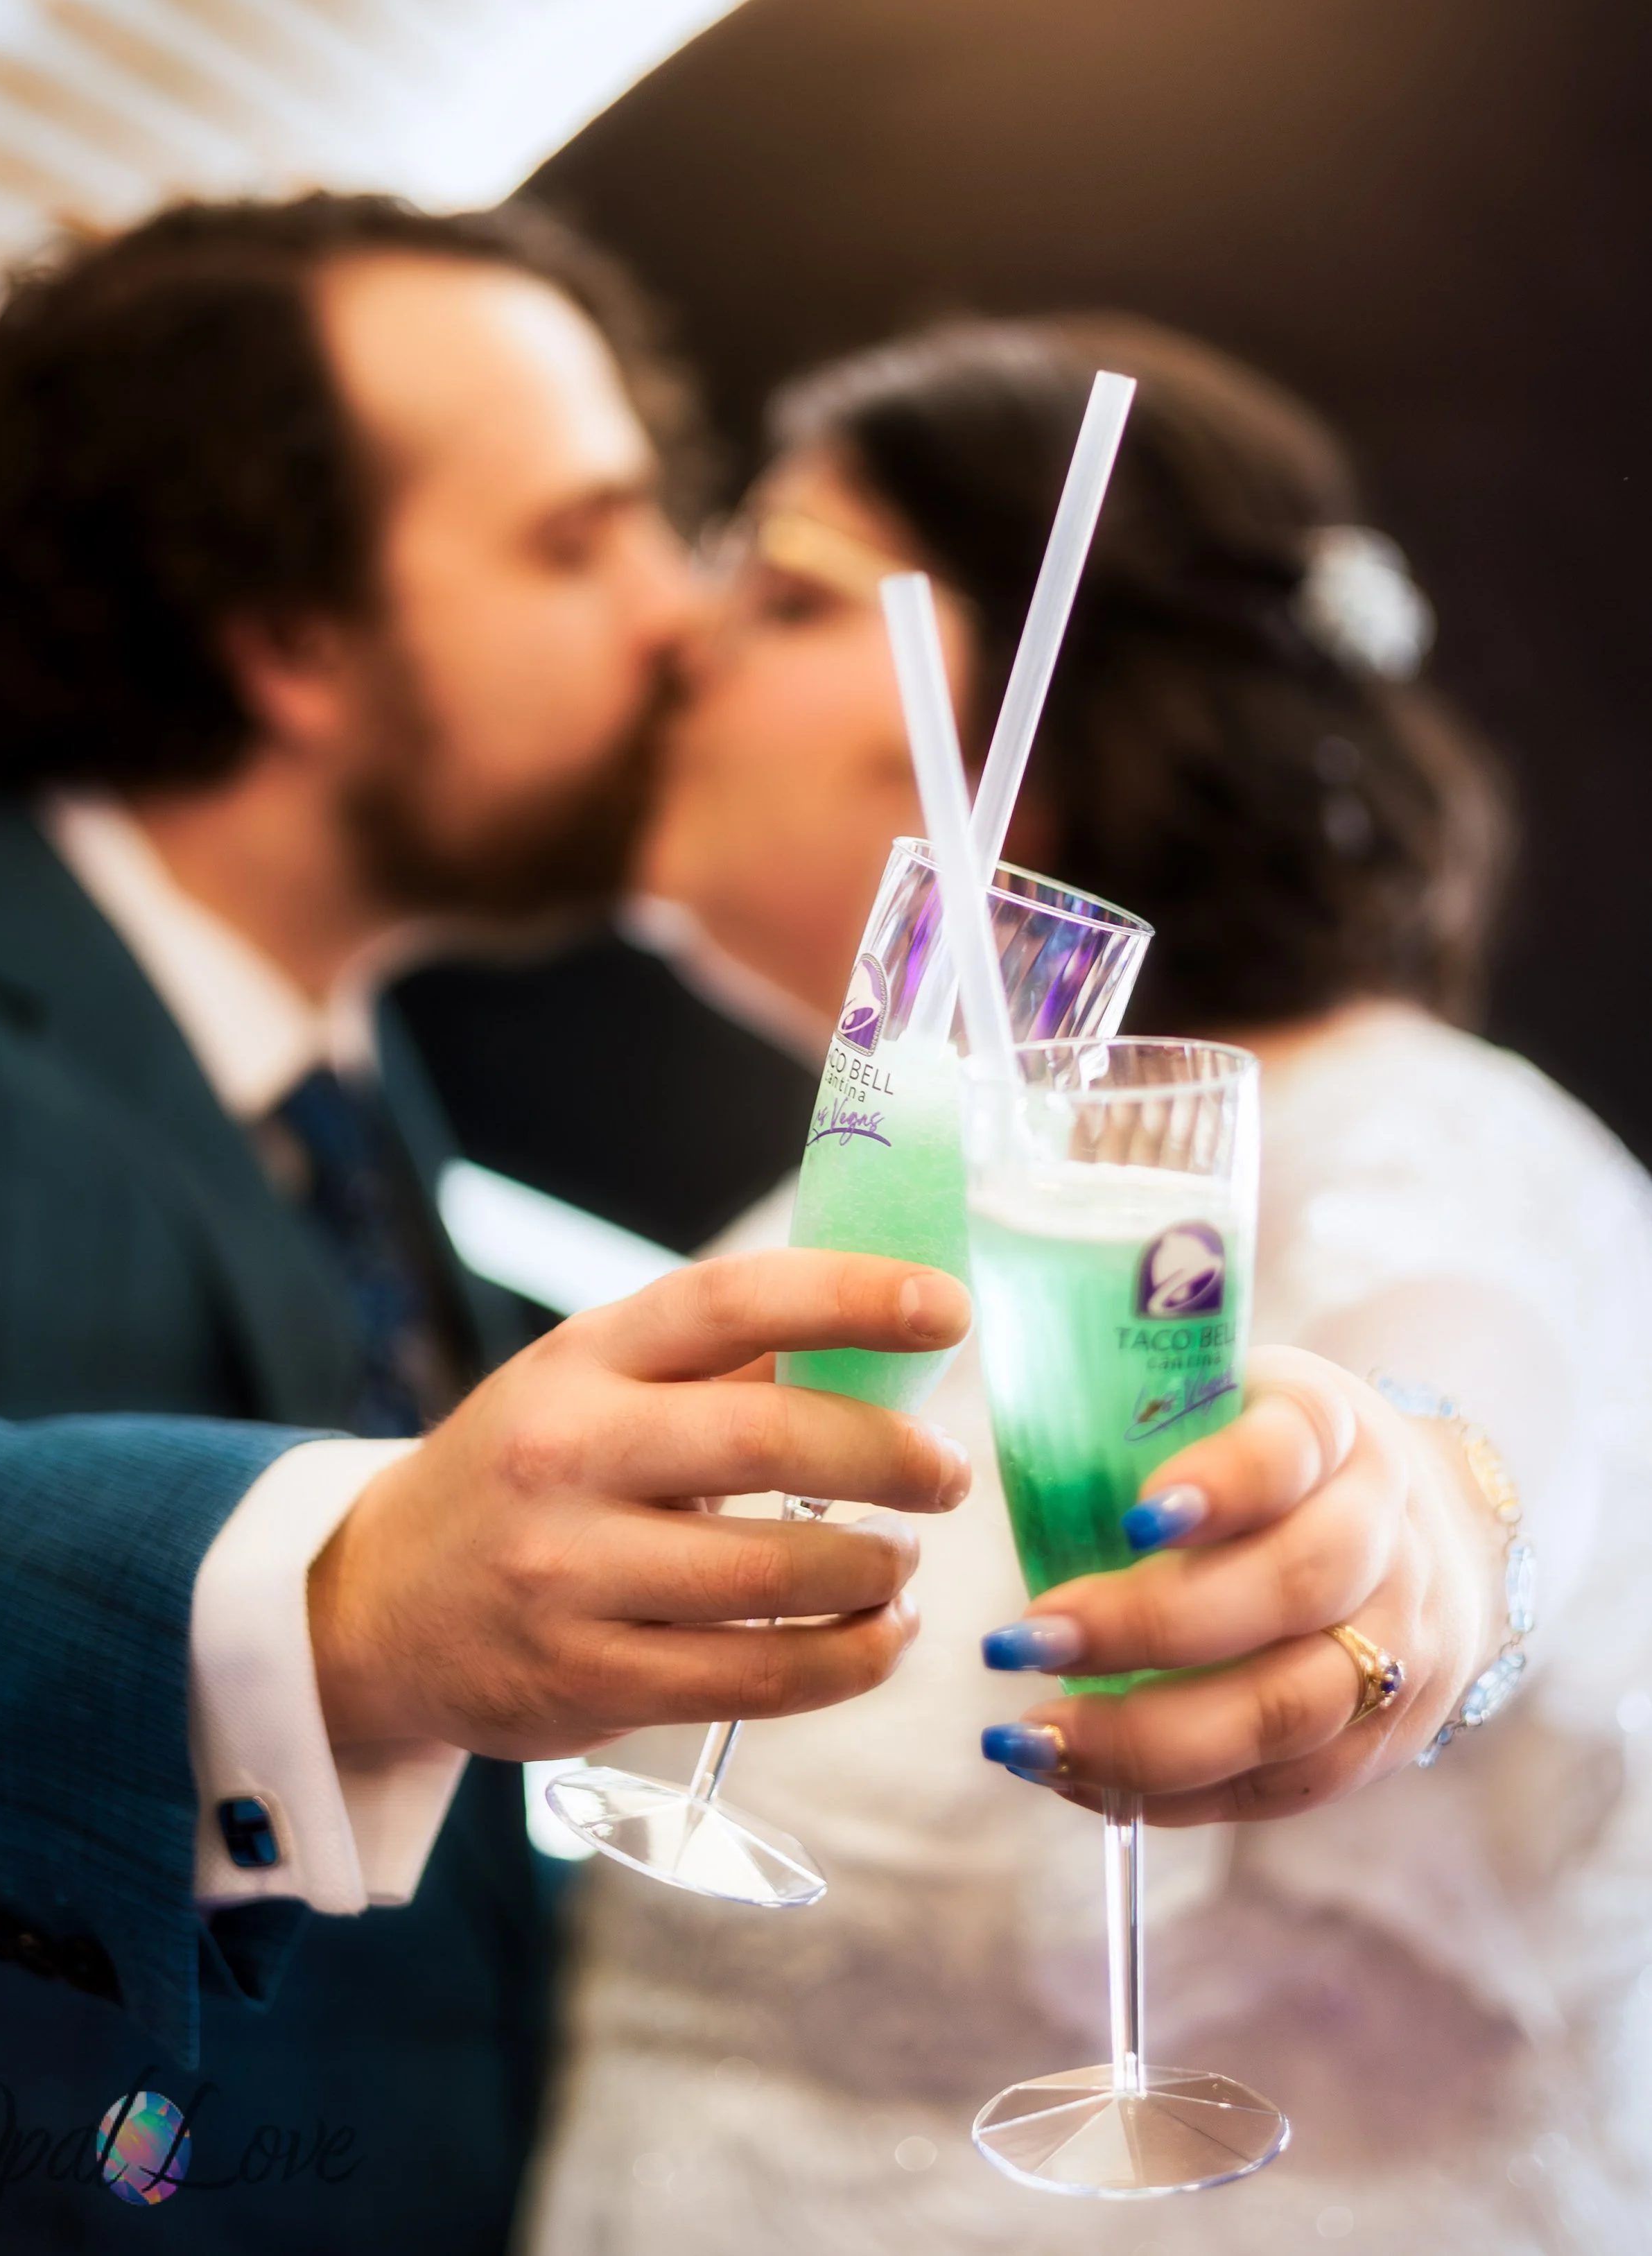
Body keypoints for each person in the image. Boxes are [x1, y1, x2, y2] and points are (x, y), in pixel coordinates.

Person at [0, 193, 977, 2254]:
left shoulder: (344, 1072)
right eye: (579, 540)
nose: (682, 618)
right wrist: (339, 1606)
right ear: (289, 643)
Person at [527, 318, 1652, 2254]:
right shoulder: (845, 1198)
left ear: (1044, 743)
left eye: (785, 592)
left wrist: (1411, 1533)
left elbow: (1466, 1394)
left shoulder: (1414, 1137)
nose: (680, 643)